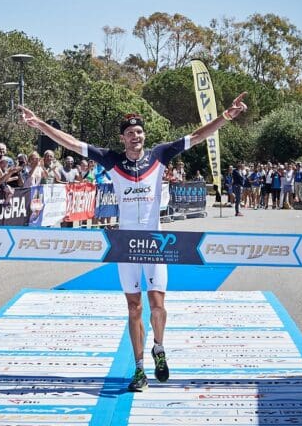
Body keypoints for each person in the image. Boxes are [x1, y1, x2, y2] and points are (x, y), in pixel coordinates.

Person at [20, 92, 248, 392]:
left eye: (139, 132)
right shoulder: (111, 160)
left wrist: (226, 117)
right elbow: (72, 143)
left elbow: (196, 135)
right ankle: (139, 368)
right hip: (126, 244)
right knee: (133, 308)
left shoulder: (160, 155)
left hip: (155, 243)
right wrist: (41, 126)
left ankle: (159, 348)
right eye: (130, 133)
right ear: (123, 138)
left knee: (158, 306)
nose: (135, 137)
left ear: (144, 136)